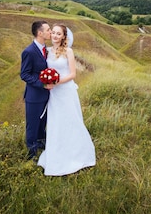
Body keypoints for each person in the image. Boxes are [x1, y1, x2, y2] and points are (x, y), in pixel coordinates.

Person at [38, 24, 96, 176]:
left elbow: (72, 74)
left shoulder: (68, 51)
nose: (55, 36)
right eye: (54, 33)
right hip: (54, 95)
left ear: (64, 36)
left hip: (65, 91)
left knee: (71, 121)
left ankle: (78, 154)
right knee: (56, 123)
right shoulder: (48, 51)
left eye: (59, 34)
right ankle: (57, 153)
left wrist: (55, 82)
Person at [20, 20, 53, 160]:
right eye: (48, 30)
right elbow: (25, 74)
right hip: (34, 96)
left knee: (42, 123)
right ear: (40, 33)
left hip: (46, 95)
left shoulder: (47, 50)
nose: (51, 32)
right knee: (32, 125)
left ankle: (41, 144)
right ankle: (31, 153)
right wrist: (42, 84)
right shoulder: (29, 51)